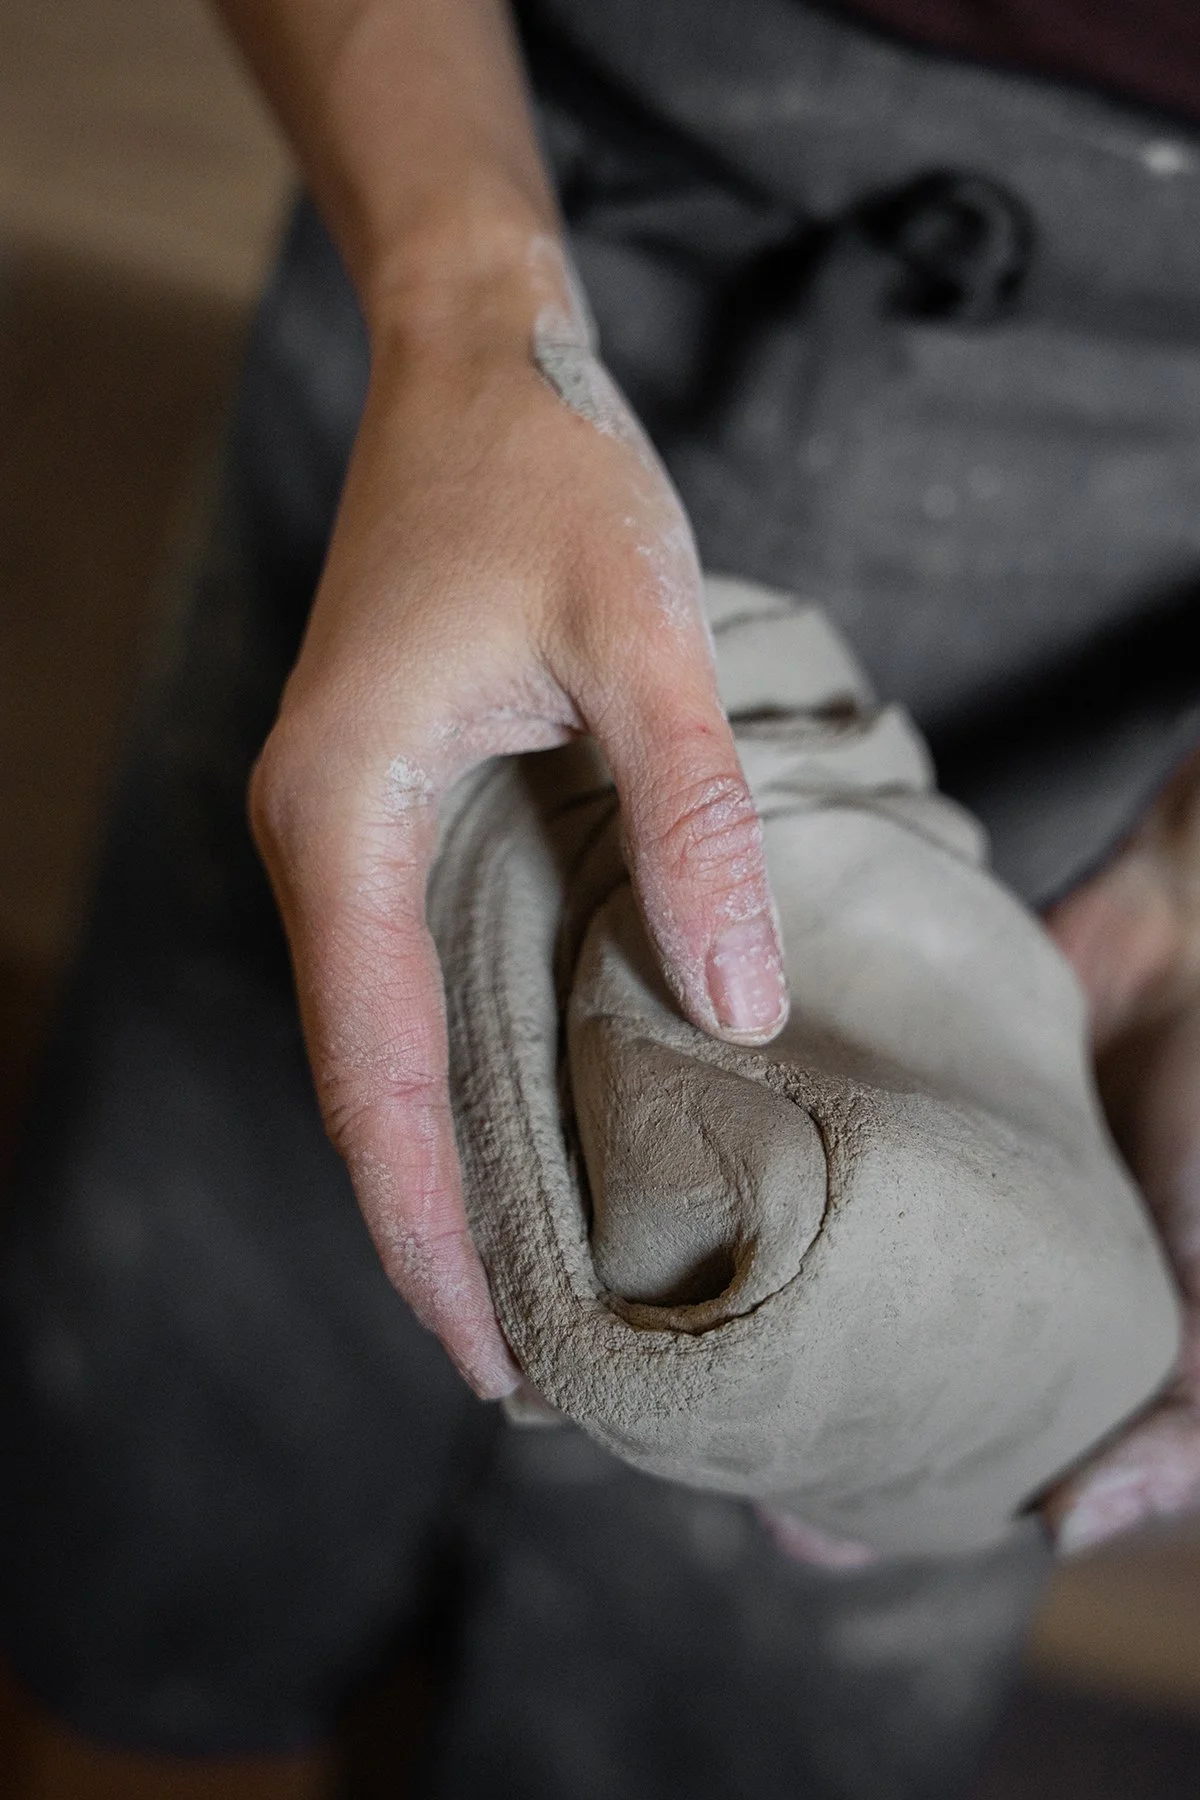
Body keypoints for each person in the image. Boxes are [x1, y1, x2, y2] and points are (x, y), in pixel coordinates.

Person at [2, 0, 1200, 1792]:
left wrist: (1186, 874)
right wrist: (471, 303)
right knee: (182, 1430)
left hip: (1151, 491)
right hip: (491, 178)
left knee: (735, 1696)